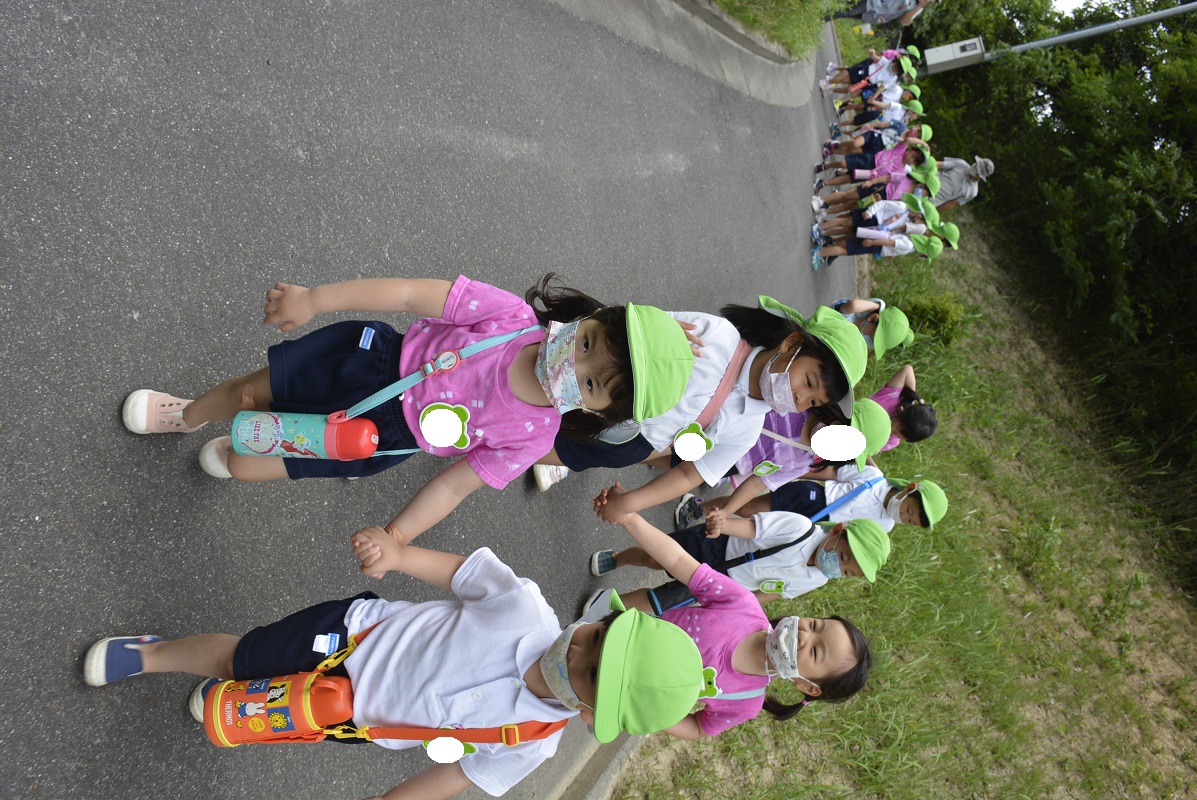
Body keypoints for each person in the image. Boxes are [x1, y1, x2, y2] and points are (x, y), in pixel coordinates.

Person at [84, 529, 703, 800]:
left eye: (593, 668)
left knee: (268, 709)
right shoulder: (526, 610)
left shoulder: (533, 742)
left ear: (595, 712)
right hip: (346, 639)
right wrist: (400, 553)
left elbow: (461, 775)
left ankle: (229, 700)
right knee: (239, 655)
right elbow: (463, 575)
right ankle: (153, 653)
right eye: (601, 633)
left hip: (353, 718)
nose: (578, 647)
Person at [121, 274, 692, 544]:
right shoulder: (510, 317)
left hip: (380, 437)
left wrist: (397, 537)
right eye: (588, 343)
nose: (575, 366)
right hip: (369, 363)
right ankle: (189, 413)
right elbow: (407, 295)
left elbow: (451, 487)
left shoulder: (532, 436)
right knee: (253, 390)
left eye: (591, 384)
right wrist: (316, 300)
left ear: (596, 414)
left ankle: (244, 439)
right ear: (589, 318)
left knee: (246, 460)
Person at [539, 298, 866, 516]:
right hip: (600, 388)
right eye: (808, 382)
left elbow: (688, 474)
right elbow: (633, 329)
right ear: (792, 344)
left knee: (527, 449)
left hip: (624, 445)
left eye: (813, 402)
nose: (800, 400)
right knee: (528, 403)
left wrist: (629, 503)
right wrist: (659, 332)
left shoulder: (748, 430)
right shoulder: (719, 335)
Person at [592, 502, 872, 738]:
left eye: (814, 650)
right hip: (609, 636)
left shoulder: (745, 702)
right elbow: (678, 560)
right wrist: (629, 518)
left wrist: (637, 715)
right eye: (814, 625)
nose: (804, 635)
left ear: (808, 686)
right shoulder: (742, 604)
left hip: (608, 691)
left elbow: (700, 727)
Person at [591, 515, 890, 611]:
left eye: (847, 571)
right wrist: (723, 526)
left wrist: (737, 606)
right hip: (718, 547)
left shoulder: (818, 579)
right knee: (654, 557)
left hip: (721, 585)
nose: (838, 567)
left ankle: (604, 607)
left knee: (660, 602)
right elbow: (752, 528)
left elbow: (770, 593)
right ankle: (619, 558)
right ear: (838, 531)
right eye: (843, 556)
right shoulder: (800, 528)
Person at [711, 466, 948, 533]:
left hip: (817, 525)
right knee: (749, 508)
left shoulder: (884, 526)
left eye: (909, 521)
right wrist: (794, 469)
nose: (903, 516)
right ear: (909, 489)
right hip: (812, 497)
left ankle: (716, 523)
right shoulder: (874, 477)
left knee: (760, 527)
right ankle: (702, 507)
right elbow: (832, 473)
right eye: (908, 509)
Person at [870, 364, 937, 451]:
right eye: (895, 430)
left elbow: (867, 450)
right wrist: (914, 397)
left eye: (895, 434)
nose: (891, 430)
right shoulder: (892, 397)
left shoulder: (892, 441)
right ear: (902, 414)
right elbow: (907, 369)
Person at [831, 298, 914, 359]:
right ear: (873, 318)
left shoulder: (854, 340)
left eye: (873, 343)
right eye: (873, 338)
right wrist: (876, 306)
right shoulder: (848, 317)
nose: (868, 343)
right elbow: (853, 305)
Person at [828, 0, 940, 27]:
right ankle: (823, 17)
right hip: (874, 2)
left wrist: (919, 6)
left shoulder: (918, 9)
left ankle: (824, 12)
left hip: (876, 15)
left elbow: (904, 21)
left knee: (849, 12)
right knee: (848, 12)